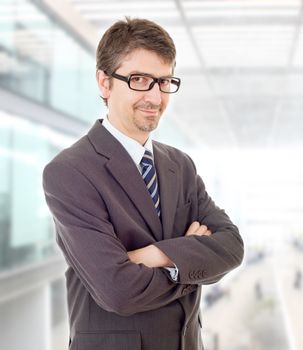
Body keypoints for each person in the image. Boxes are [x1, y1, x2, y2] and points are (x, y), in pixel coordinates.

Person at [42, 17, 244, 350]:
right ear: (104, 83)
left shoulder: (181, 165)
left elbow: (232, 247)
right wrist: (189, 263)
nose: (155, 96)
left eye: (164, 82)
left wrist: (152, 256)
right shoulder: (69, 172)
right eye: (139, 80)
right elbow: (117, 290)